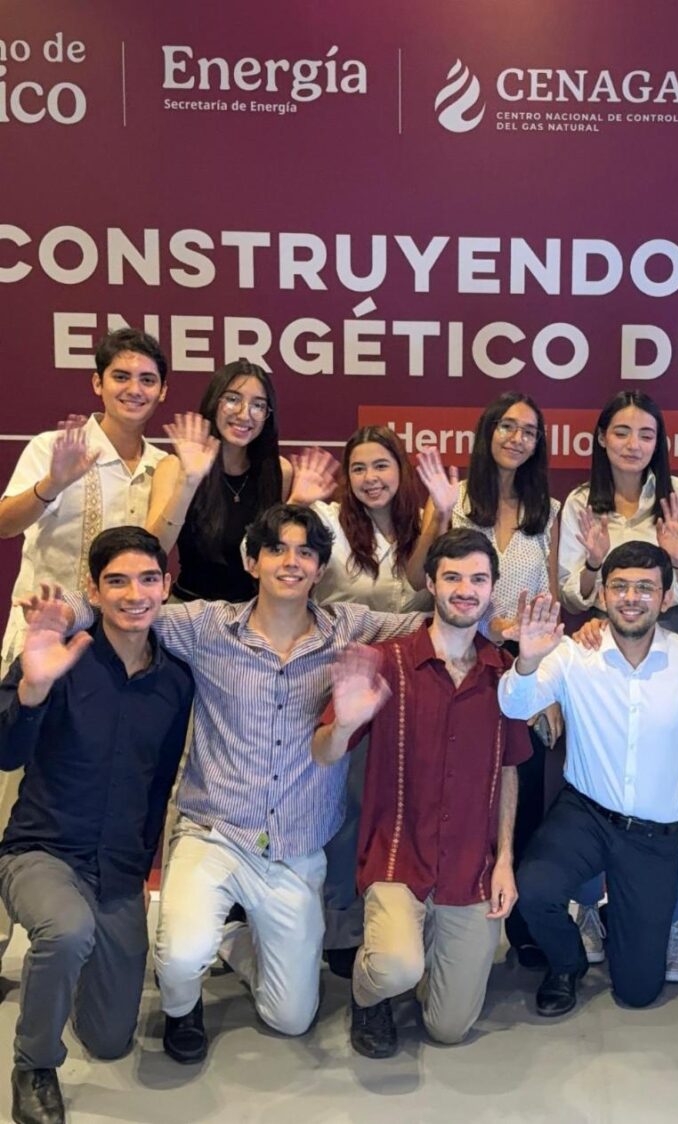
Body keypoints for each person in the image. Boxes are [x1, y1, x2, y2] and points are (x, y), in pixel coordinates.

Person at [50, 504, 427, 1065]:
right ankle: (183, 1008)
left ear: (319, 568)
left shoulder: (348, 628)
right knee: (180, 958)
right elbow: (132, 603)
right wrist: (62, 614)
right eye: (277, 549)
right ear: (252, 562)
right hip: (214, 832)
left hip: (296, 847)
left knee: (290, 1018)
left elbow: (431, 625)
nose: (291, 562)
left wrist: (507, 631)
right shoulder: (207, 626)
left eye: (305, 552)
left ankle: (235, 942)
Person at [0, 528, 193, 1124]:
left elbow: (159, 784)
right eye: (117, 581)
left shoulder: (176, 680)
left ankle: (77, 970)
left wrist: (140, 869)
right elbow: (6, 753)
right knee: (66, 929)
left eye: (148, 579)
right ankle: (34, 1066)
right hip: (41, 851)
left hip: (117, 869)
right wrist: (33, 688)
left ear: (166, 585)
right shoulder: (55, 656)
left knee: (109, 1040)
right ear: (94, 589)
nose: (134, 594)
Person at [314, 529, 529, 1056]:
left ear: (492, 588)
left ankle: (422, 953)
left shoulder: (504, 674)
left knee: (449, 1027)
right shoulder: (385, 661)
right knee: (395, 968)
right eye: (452, 577)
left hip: (469, 871)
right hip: (398, 860)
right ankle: (370, 993)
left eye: (478, 579)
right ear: (431, 583)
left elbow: (509, 769)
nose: (465, 589)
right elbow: (324, 753)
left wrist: (504, 860)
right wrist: (345, 723)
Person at [0, 327, 170, 979]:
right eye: (121, 376)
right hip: (42, 646)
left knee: (95, 786)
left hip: (115, 654)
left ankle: (85, 930)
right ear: (98, 382)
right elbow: (5, 522)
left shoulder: (162, 467)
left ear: (162, 391)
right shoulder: (54, 447)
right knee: (11, 785)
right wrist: (52, 484)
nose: (134, 389)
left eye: (147, 379)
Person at [499, 541, 678, 1017]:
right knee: (535, 889)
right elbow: (515, 707)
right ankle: (567, 964)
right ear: (602, 595)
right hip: (586, 813)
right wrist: (528, 660)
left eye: (645, 588)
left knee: (638, 990)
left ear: (665, 598)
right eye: (619, 586)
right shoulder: (573, 654)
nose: (631, 597)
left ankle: (620, 913)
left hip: (653, 835)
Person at [558, 391, 678, 980]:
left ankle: (669, 919)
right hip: (600, 638)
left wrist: (677, 560)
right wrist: (597, 565)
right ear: (602, 439)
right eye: (621, 432)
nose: (633, 444)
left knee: (663, 783)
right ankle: (588, 908)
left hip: (666, 638)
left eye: (646, 434)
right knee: (595, 774)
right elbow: (574, 594)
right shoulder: (580, 502)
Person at [413, 393, 563, 969]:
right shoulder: (455, 500)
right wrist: (438, 514)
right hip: (460, 663)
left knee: (522, 799)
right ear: (487, 432)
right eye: (507, 426)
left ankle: (523, 928)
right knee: (453, 791)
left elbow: (551, 603)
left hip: (522, 669)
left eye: (529, 430)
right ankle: (438, 916)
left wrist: (544, 683)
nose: (517, 438)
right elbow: (419, 578)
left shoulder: (547, 512)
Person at [308, 425, 432, 977]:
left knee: (402, 802)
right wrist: (298, 502)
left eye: (380, 465)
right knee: (347, 804)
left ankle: (399, 920)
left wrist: (440, 519)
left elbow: (431, 590)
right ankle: (340, 926)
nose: (370, 478)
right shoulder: (328, 522)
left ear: (400, 469)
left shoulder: (422, 523)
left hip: (411, 684)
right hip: (345, 681)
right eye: (358, 468)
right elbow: (258, 554)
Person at [146, 359, 337, 603]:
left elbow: (268, 554)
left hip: (256, 612)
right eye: (233, 399)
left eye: (258, 405)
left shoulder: (279, 471)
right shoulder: (174, 466)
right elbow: (153, 552)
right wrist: (189, 481)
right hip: (190, 608)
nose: (244, 414)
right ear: (214, 402)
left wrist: (296, 504)